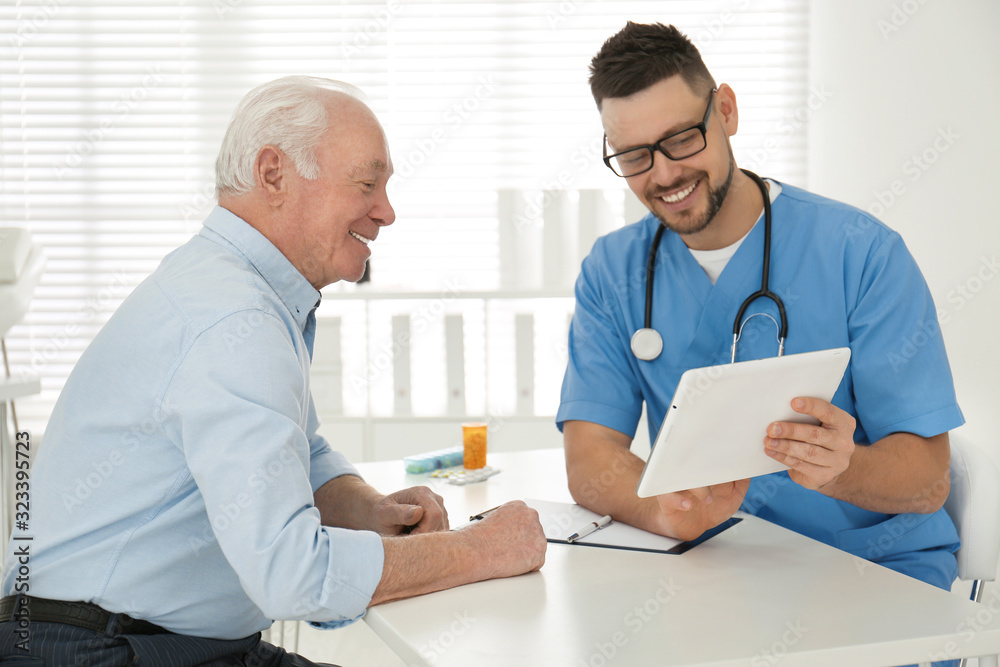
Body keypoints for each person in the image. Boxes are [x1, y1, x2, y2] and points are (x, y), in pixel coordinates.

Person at [0, 76, 546, 666]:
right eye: (368, 183)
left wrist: (369, 510)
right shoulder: (233, 318)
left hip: (138, 639)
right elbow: (293, 574)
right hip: (95, 650)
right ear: (273, 174)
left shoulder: (234, 289)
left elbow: (299, 450)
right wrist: (482, 549)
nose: (387, 212)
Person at [559, 21, 962, 609]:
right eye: (635, 155)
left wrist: (842, 469)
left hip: (871, 579)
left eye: (681, 139)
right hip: (714, 574)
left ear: (725, 111)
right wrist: (667, 512)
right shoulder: (612, 271)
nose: (665, 174)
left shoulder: (860, 252)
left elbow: (928, 482)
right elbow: (591, 456)